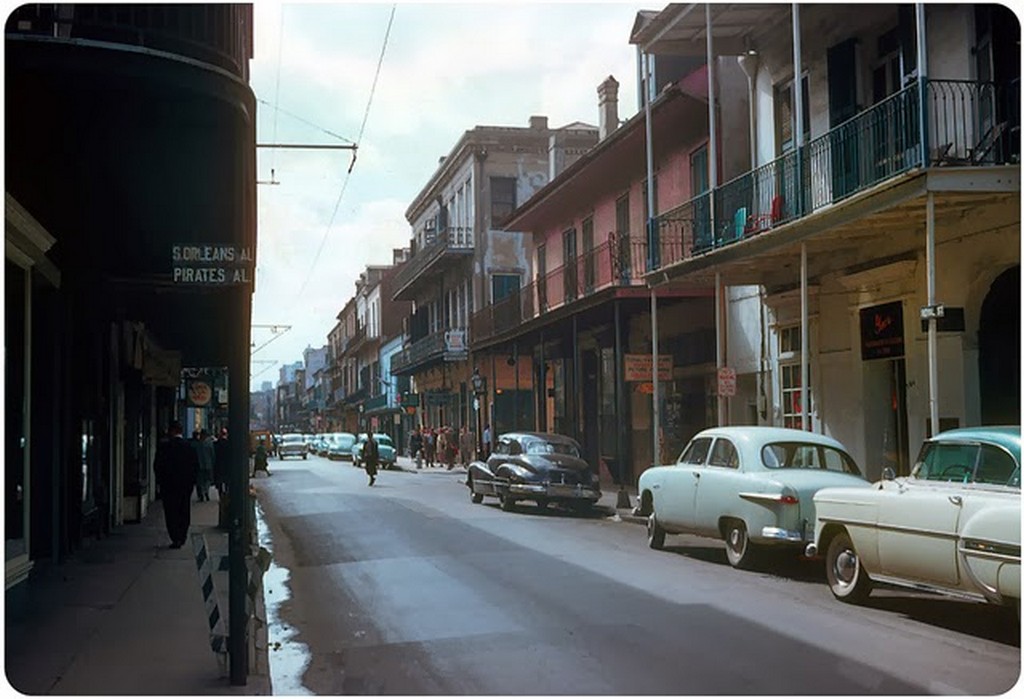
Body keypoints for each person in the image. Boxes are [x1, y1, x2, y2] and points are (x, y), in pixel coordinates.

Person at [153, 420, 199, 549]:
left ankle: (175, 537)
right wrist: (192, 482)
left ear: (171, 431)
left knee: (171, 512)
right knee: (184, 510)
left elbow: (157, 466)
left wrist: (160, 482)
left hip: (168, 486)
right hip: (185, 486)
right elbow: (195, 466)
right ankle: (182, 536)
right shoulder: (189, 447)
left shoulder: (164, 447)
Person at [194, 429, 215, 501]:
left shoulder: (198, 443)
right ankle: (206, 491)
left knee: (200, 481)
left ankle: (202, 493)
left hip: (200, 464)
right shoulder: (210, 443)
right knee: (208, 480)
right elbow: (212, 454)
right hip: (208, 464)